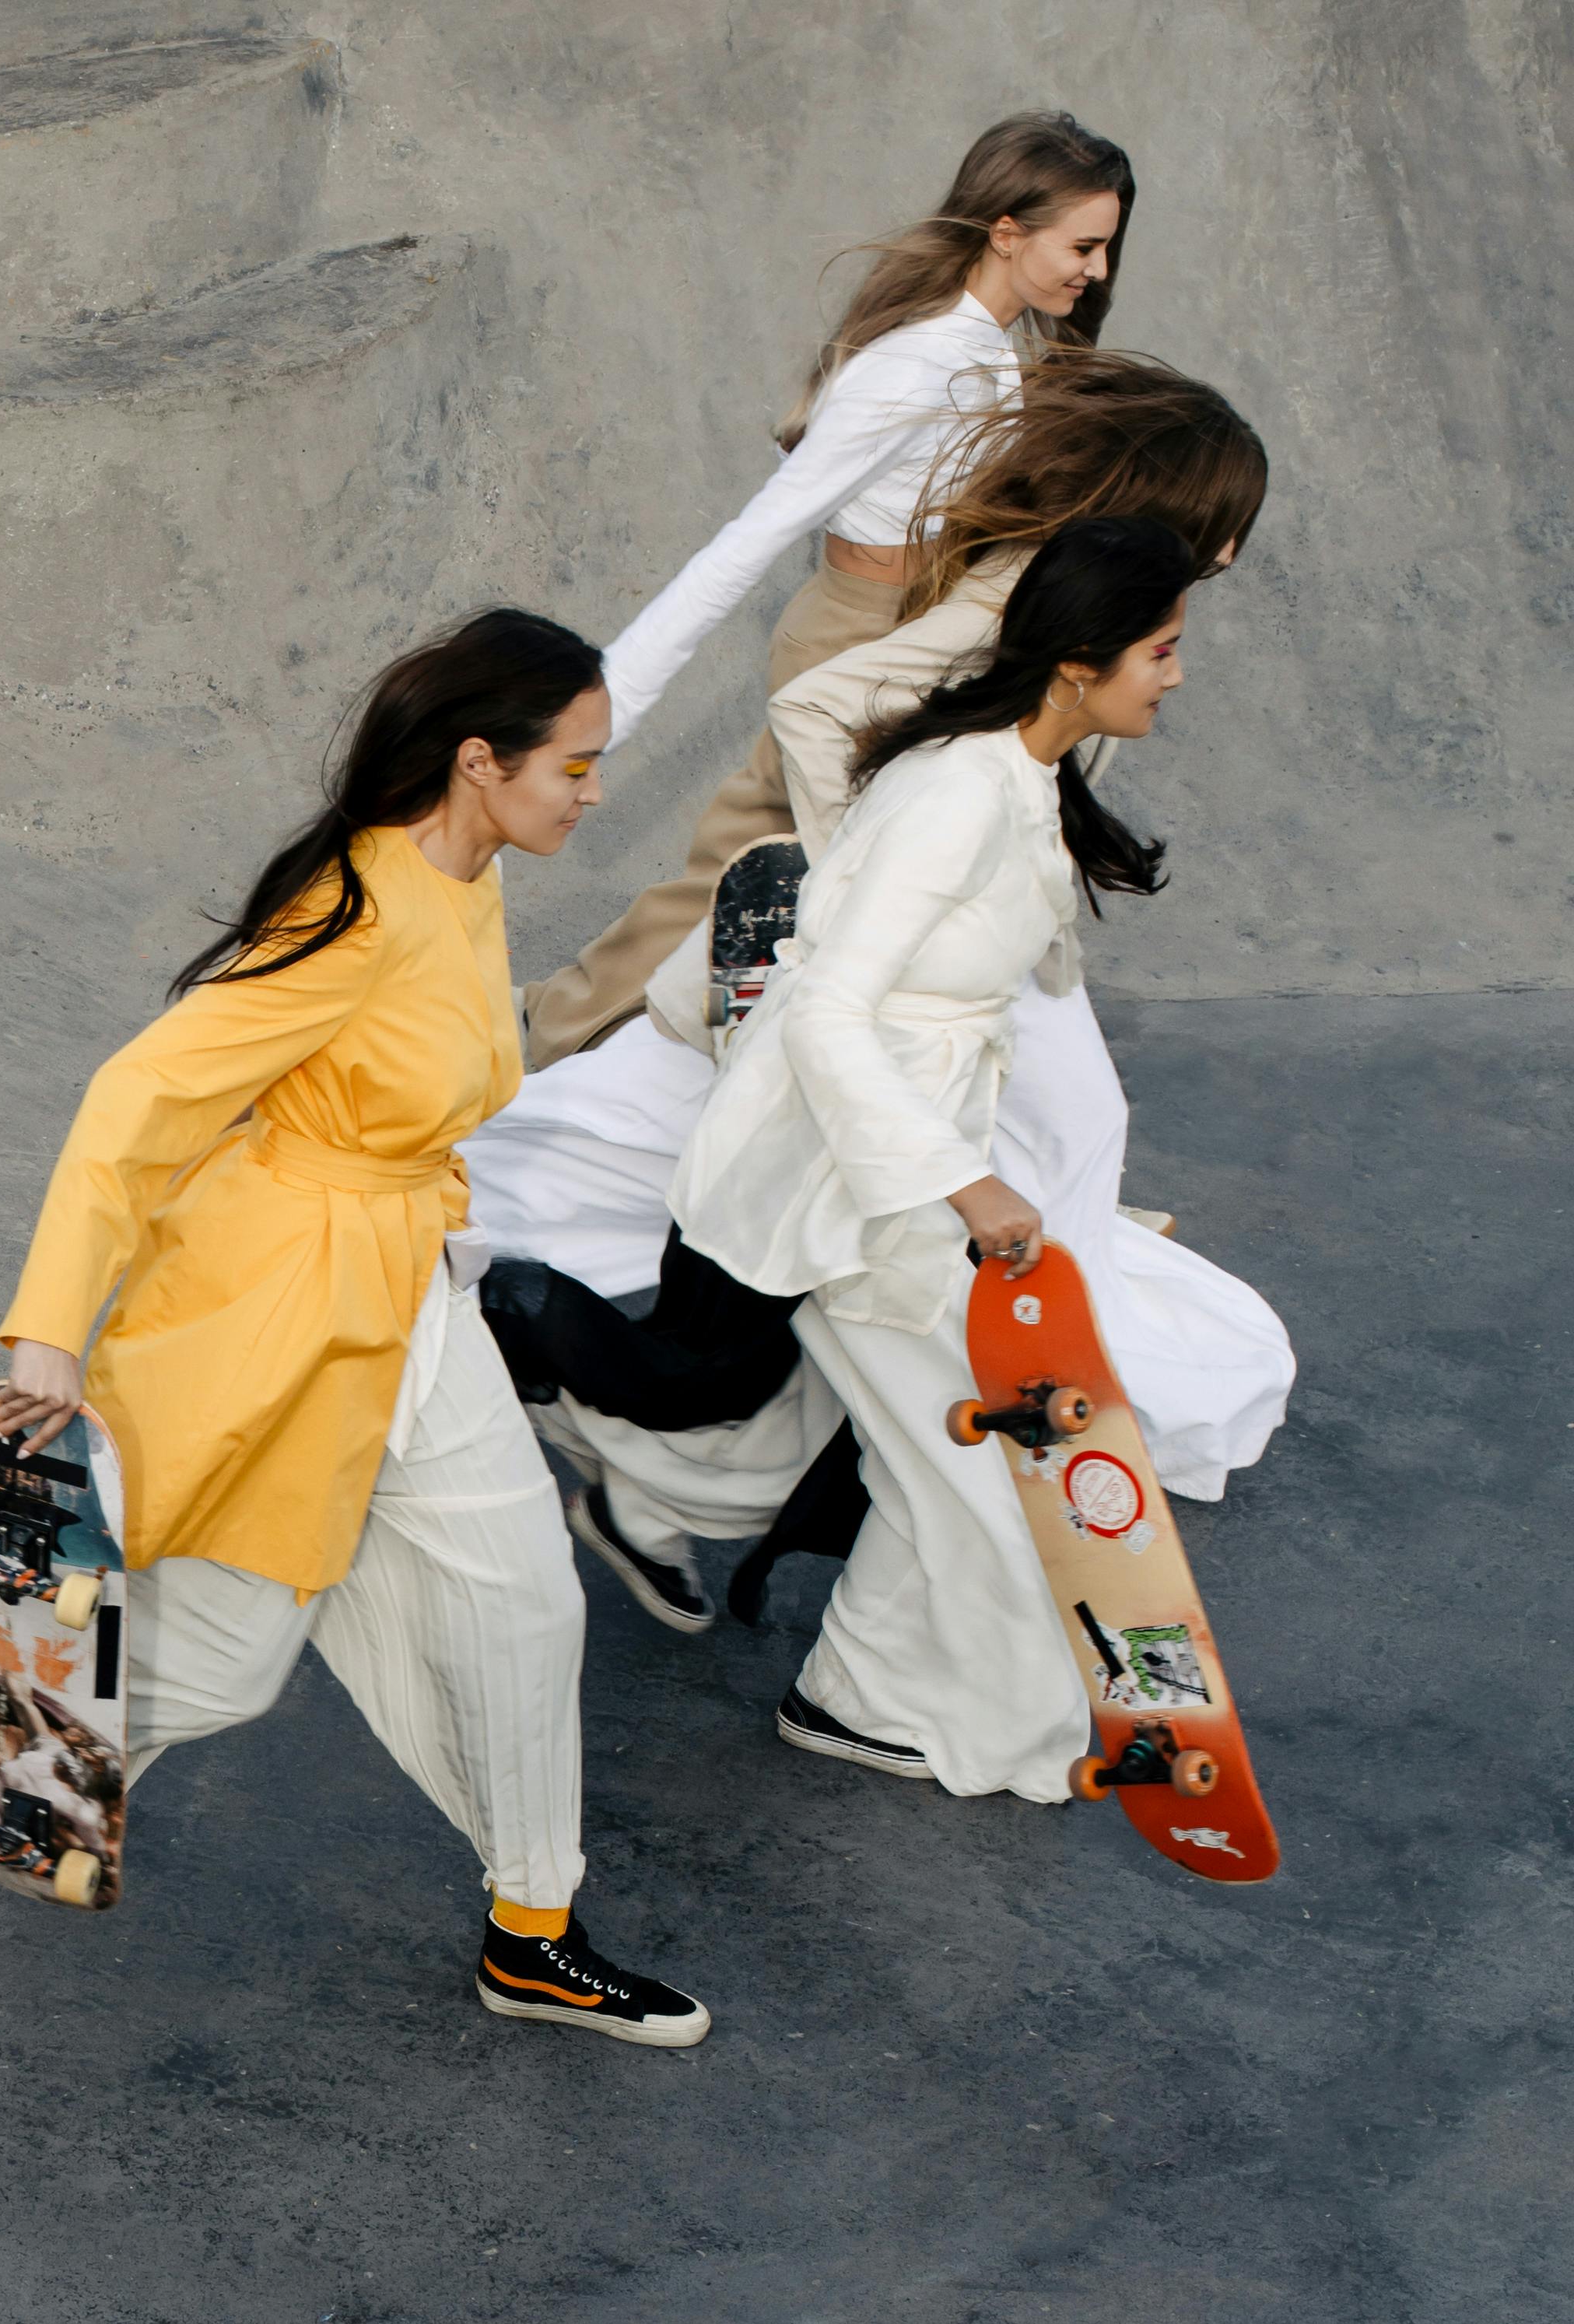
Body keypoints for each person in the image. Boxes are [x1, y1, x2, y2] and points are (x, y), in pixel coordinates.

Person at [0, 611, 713, 2046]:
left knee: (529, 1603)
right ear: (482, 763)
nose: (595, 789)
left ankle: (534, 1932)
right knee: (234, 1668)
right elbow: (140, 1102)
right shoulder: (350, 914)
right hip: (287, 1310)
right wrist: (48, 1331)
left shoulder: (473, 867)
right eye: (579, 763)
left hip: (411, 1298)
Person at [464, 361, 1290, 1636]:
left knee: (902, 1217)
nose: (1235, 548)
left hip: (966, 962)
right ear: (1175, 510)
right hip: (904, 964)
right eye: (1224, 523)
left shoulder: (1096, 595)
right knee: (892, 1189)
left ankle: (750, 1480)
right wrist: (875, 874)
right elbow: (821, 703)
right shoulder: (1038, 596)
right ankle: (827, 1462)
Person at [671, 516, 1201, 1797]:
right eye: (1161, 650)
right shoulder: (958, 789)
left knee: (956, 1465)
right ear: (1080, 661)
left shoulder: (1014, 773)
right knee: (997, 1487)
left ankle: (860, 1689)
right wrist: (956, 1179)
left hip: (914, 1160)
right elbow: (832, 1011)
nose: (1175, 675)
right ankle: (895, 1700)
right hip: (864, 1185)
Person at [523, 110, 1137, 1070]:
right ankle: (552, 1039)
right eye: (1083, 246)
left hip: (924, 636)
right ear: (1006, 233)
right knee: (802, 881)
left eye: (1106, 248)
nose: (1095, 271)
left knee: (869, 884)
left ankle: (559, 1035)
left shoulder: (992, 348)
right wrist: (608, 702)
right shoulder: (913, 366)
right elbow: (751, 538)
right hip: (856, 643)